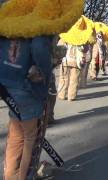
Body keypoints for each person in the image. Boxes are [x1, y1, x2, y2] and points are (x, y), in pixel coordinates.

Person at [0, 0, 83, 179]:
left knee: (15, 136)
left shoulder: (12, 18)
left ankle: (10, 175)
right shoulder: (42, 23)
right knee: (31, 139)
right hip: (29, 88)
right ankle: (24, 176)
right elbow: (38, 46)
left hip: (8, 86)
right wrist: (47, 67)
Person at [58, 16, 94, 100]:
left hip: (65, 61)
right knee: (74, 80)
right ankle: (71, 96)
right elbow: (86, 49)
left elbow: (59, 47)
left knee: (63, 78)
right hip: (77, 61)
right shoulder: (84, 38)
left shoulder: (65, 35)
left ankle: (61, 95)